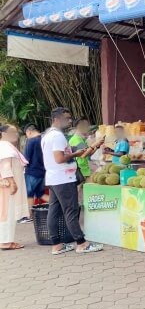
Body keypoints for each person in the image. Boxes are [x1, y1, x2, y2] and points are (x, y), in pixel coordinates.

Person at [42, 107, 103, 254]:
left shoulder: (47, 135)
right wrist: (75, 153)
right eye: (67, 118)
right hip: (63, 178)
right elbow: (59, 158)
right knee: (71, 210)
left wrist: (84, 150)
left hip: (54, 178)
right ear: (56, 119)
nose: (70, 121)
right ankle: (81, 243)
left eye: (70, 118)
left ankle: (56, 245)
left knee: (54, 211)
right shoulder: (57, 136)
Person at [0, 125, 28, 249]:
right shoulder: (5, 146)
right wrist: (12, 183)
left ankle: (6, 240)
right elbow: (6, 167)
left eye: (16, 132)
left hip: (5, 185)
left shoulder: (6, 146)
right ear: (3, 134)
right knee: (7, 214)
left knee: (6, 214)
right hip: (6, 186)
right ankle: (5, 242)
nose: (15, 135)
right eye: (12, 132)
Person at [68, 118, 103, 183]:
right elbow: (84, 155)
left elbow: (89, 153)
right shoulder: (76, 139)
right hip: (81, 170)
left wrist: (97, 146)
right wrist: (95, 143)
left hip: (84, 170)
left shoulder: (81, 139)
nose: (87, 128)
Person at [24, 124, 47, 215]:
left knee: (29, 194)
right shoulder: (43, 139)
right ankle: (60, 206)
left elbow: (26, 159)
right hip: (42, 171)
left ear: (28, 132)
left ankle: (30, 215)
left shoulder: (30, 141)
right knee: (40, 194)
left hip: (32, 172)